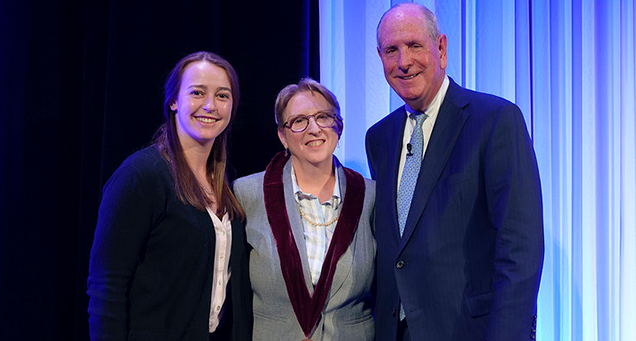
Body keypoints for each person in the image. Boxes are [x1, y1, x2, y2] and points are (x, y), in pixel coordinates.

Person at [366, 4, 544, 341]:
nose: (404, 61)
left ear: (441, 48)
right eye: (392, 50)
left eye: (415, 45)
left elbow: (520, 249)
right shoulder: (379, 138)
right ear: (380, 57)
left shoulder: (494, 120)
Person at [87, 51, 252, 340]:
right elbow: (106, 285)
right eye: (197, 92)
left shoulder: (226, 183)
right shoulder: (142, 175)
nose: (210, 105)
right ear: (174, 101)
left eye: (223, 96)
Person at [233, 78, 376, 341]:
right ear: (282, 136)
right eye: (299, 121)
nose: (314, 129)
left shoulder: (371, 197)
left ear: (339, 127)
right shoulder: (247, 194)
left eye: (323, 117)